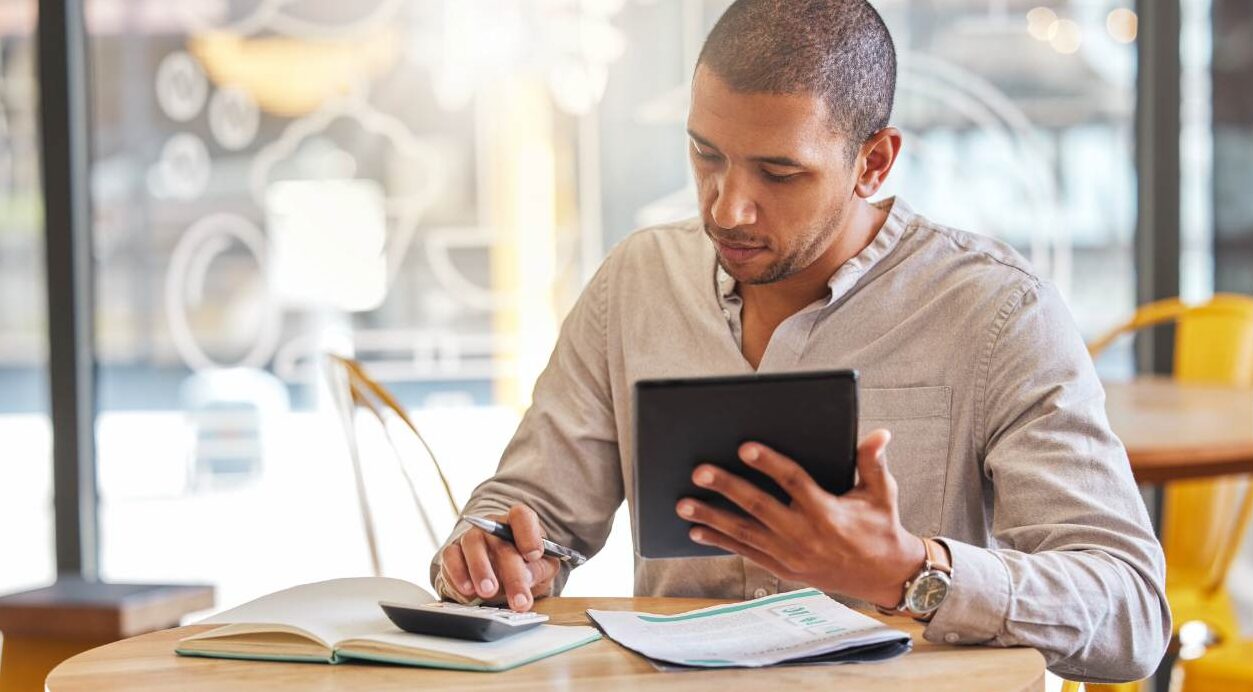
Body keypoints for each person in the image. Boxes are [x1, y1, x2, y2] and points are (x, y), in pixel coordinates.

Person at [429, 0, 1170, 683]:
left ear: (873, 162)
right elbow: (533, 508)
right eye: (705, 155)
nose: (728, 207)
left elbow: (1131, 613)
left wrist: (912, 572)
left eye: (778, 173)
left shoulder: (996, 312)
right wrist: (496, 551)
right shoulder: (635, 283)